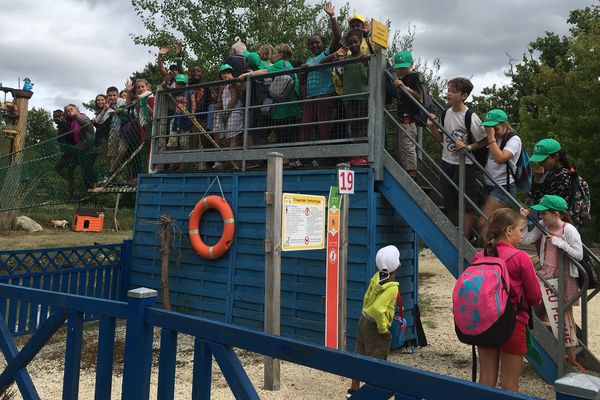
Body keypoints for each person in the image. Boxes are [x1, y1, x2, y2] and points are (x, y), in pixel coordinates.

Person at [473, 208, 541, 392]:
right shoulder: (521, 258)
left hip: (485, 323)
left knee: (486, 380)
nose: (522, 235)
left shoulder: (480, 256)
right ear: (509, 230)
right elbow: (535, 298)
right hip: (513, 323)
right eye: (521, 229)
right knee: (509, 385)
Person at [520, 195, 584, 370]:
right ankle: (548, 347)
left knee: (564, 315)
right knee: (540, 310)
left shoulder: (568, 229)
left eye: (544, 213)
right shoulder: (543, 227)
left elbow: (579, 254)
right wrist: (525, 221)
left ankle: (570, 356)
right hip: (546, 274)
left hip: (564, 276)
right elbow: (525, 240)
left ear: (556, 213)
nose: (541, 216)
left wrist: (559, 243)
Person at [428, 78, 487, 239]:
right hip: (446, 162)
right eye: (448, 90)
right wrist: (432, 127)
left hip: (465, 164)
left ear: (464, 95)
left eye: (453, 91)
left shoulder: (470, 116)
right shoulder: (445, 113)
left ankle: (465, 238)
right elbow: (441, 139)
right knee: (449, 202)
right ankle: (460, 234)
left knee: (467, 204)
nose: (448, 93)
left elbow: (485, 139)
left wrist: (468, 147)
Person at [347, 245, 401, 398]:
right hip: (375, 325)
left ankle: (353, 390)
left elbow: (367, 297)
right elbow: (378, 309)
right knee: (378, 359)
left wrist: (365, 311)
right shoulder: (392, 288)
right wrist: (383, 328)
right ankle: (373, 394)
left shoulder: (377, 277)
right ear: (395, 265)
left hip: (364, 319)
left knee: (360, 352)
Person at [321, 31, 369, 165]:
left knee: (362, 126)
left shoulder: (365, 58)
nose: (353, 45)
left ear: (360, 42)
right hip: (348, 96)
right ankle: (356, 155)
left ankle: (364, 155)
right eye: (350, 43)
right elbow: (322, 61)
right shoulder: (345, 59)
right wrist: (337, 54)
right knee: (352, 127)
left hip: (363, 96)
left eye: (356, 42)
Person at [239, 44, 301, 145]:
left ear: (281, 54)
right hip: (293, 108)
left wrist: (247, 74)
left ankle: (284, 160)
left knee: (282, 137)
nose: (273, 55)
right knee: (290, 137)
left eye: (275, 53)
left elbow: (264, 71)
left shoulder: (281, 63)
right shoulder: (289, 65)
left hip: (283, 110)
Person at [300, 2, 341, 145]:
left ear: (323, 44)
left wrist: (332, 16)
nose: (314, 45)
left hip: (325, 94)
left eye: (317, 42)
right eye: (311, 44)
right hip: (310, 97)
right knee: (305, 126)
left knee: (323, 127)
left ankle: (323, 157)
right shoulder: (309, 59)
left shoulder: (327, 53)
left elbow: (337, 36)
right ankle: (302, 157)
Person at [477, 109, 522, 234]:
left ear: (505, 125)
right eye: (489, 129)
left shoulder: (514, 140)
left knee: (483, 223)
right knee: (494, 226)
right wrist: (469, 147)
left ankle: (487, 253)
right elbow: (482, 143)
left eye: (495, 129)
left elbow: (500, 158)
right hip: (489, 184)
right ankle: (497, 250)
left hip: (503, 186)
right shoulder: (496, 137)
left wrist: (491, 136)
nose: (493, 132)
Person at [392, 50, 422, 177]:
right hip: (402, 117)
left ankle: (412, 174)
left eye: (405, 67)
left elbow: (419, 96)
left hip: (409, 118)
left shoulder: (414, 77)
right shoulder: (402, 79)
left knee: (407, 146)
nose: (402, 70)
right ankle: (407, 171)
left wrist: (404, 87)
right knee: (401, 146)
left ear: (411, 65)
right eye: (400, 68)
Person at [64, 104, 98, 192]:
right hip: (82, 149)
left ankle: (94, 186)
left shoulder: (83, 117)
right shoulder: (72, 122)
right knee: (84, 170)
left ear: (76, 109)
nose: (69, 111)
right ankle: (89, 190)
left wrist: (76, 116)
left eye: (71, 109)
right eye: (67, 111)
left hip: (91, 148)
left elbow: (86, 124)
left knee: (87, 167)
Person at [53, 109, 77, 199]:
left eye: (58, 116)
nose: (56, 119)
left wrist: (63, 123)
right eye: (54, 117)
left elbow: (69, 136)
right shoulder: (61, 125)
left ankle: (72, 184)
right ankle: (71, 196)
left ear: (62, 116)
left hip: (70, 152)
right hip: (68, 151)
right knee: (70, 172)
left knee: (58, 168)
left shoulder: (65, 125)